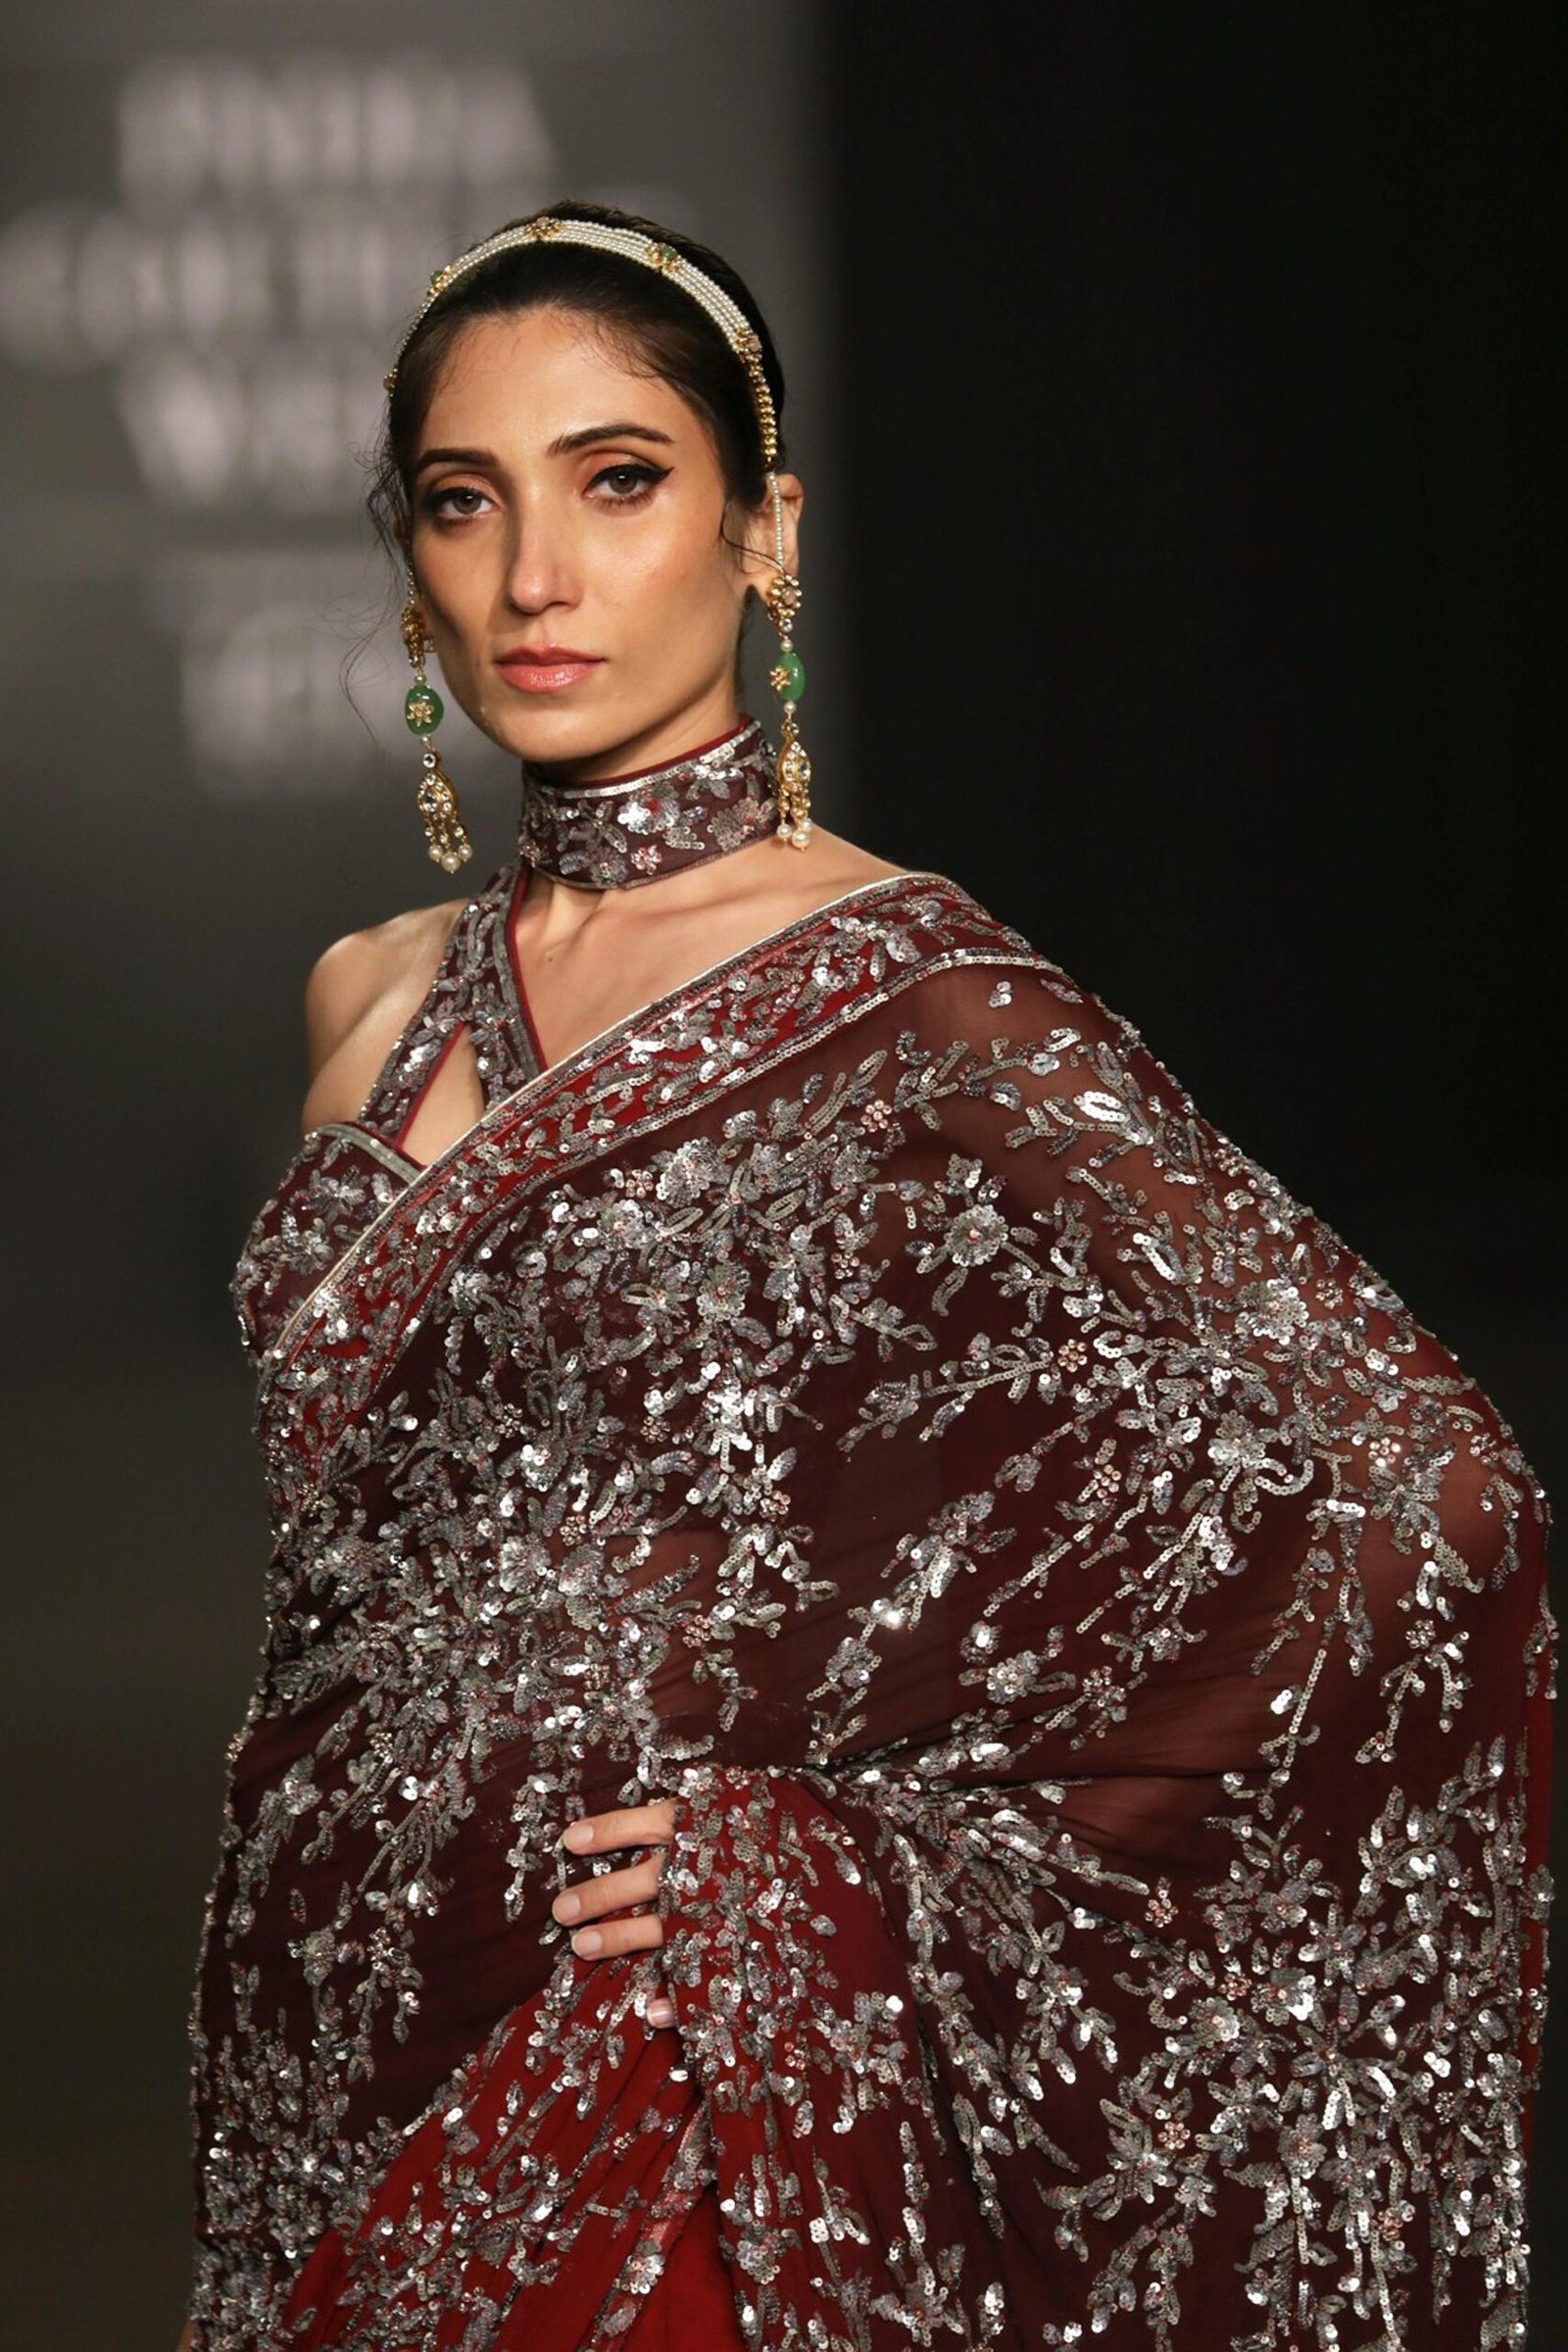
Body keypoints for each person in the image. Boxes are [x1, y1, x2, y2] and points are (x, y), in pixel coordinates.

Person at [181, 200, 1553, 2352]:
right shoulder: (368, 1001)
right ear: (410, 560)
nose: (533, 578)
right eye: (465, 505)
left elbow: (1419, 1497)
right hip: (319, 2037)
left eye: (616, 481)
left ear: (764, 532)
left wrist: (841, 1865)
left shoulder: (917, 996)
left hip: (648, 2061)